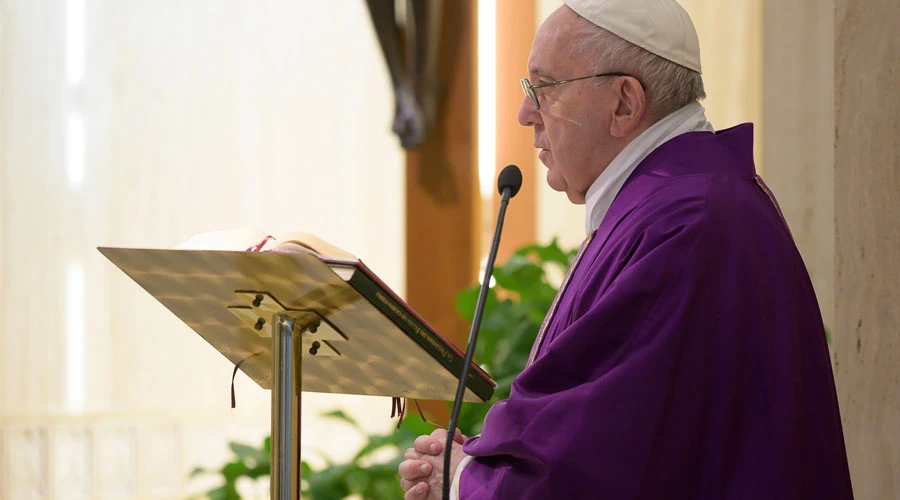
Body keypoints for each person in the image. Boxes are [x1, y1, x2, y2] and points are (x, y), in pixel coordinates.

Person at [398, 0, 854, 498]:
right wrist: (479, 463)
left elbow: (602, 463)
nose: (525, 113)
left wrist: (470, 479)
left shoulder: (686, 225)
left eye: (543, 87)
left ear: (624, 104)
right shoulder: (675, 206)